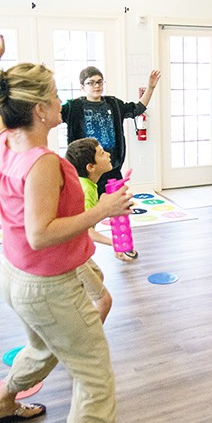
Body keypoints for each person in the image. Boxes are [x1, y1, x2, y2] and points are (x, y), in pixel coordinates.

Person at [0, 59, 133, 423]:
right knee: (95, 378)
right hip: (49, 286)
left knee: (42, 350)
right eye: (55, 95)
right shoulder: (43, 164)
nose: (62, 102)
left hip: (18, 277)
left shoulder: (7, 142)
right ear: (39, 110)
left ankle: (2, 402)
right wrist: (105, 209)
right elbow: (42, 233)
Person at [65, 138, 137, 322]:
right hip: (71, 253)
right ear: (91, 167)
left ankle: (78, 321)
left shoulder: (86, 183)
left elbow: (89, 218)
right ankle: (88, 340)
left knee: (98, 276)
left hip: (77, 249)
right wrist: (116, 245)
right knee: (104, 301)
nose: (109, 155)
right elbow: (87, 229)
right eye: (102, 153)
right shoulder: (86, 190)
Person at [62, 65, 161, 195]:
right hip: (87, 168)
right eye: (91, 83)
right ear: (82, 87)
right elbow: (52, 111)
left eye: (99, 82)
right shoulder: (73, 107)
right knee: (90, 205)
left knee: (117, 202)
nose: (96, 86)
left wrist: (150, 87)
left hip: (111, 166)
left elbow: (138, 109)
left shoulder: (113, 104)